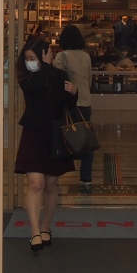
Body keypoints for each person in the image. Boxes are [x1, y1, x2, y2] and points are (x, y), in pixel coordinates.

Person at [13, 35, 78, 252]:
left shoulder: (59, 75)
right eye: (27, 58)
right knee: (36, 184)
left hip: (54, 135)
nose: (29, 62)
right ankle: (34, 232)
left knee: (51, 184)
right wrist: (46, 67)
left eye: (33, 58)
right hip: (33, 133)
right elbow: (35, 90)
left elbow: (68, 104)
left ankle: (46, 227)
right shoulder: (26, 77)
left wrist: (74, 92)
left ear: (43, 56)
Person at [53, 24, 95, 193]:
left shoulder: (61, 56)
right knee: (86, 141)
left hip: (68, 104)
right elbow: (89, 80)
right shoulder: (86, 57)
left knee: (62, 139)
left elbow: (57, 80)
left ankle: (55, 175)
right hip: (85, 102)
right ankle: (86, 178)